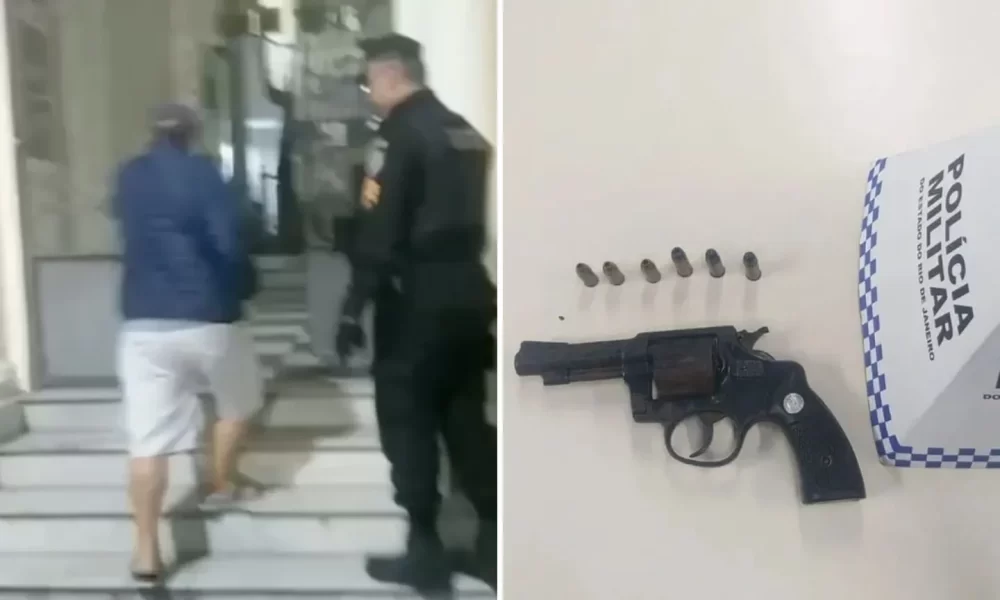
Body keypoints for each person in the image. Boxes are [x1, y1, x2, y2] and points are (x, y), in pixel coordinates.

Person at [336, 34, 498, 596]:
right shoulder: (464, 131)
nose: (369, 92)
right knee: (466, 417)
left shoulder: (397, 136)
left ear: (389, 75)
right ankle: (493, 550)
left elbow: (380, 231)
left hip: (414, 299)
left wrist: (353, 306)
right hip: (469, 293)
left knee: (407, 419)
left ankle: (425, 553)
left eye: (368, 82)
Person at [112, 103, 264, 582]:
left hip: (143, 321)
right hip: (206, 313)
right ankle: (220, 481)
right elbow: (228, 242)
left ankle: (146, 553)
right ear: (194, 134)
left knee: (146, 441)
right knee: (238, 400)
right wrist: (245, 285)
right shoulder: (204, 174)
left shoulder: (130, 176)